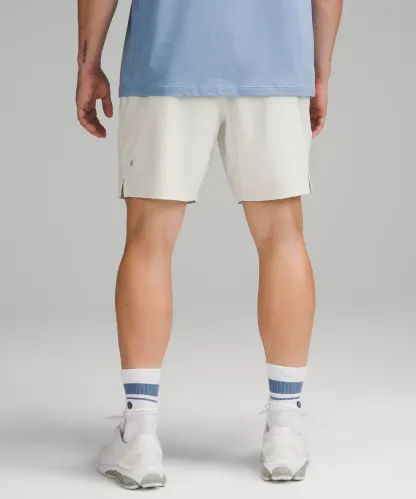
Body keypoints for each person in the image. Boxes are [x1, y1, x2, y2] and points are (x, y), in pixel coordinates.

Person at [76, 0, 343, 489]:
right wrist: (319, 68)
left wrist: (88, 62)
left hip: (166, 57)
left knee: (149, 239)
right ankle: (285, 429)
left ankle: (139, 436)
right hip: (275, 60)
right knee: (282, 236)